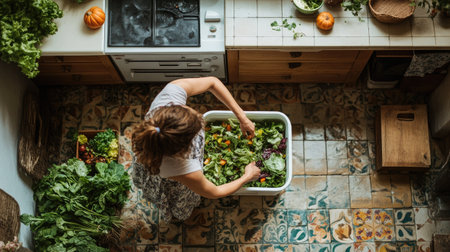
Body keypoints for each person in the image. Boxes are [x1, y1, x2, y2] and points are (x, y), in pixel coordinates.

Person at [131, 77, 261, 222]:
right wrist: (247, 176)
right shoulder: (181, 168)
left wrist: (242, 117)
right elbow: (215, 192)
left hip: (154, 153)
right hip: (167, 180)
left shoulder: (168, 98)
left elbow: (213, 82)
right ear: (185, 149)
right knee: (180, 203)